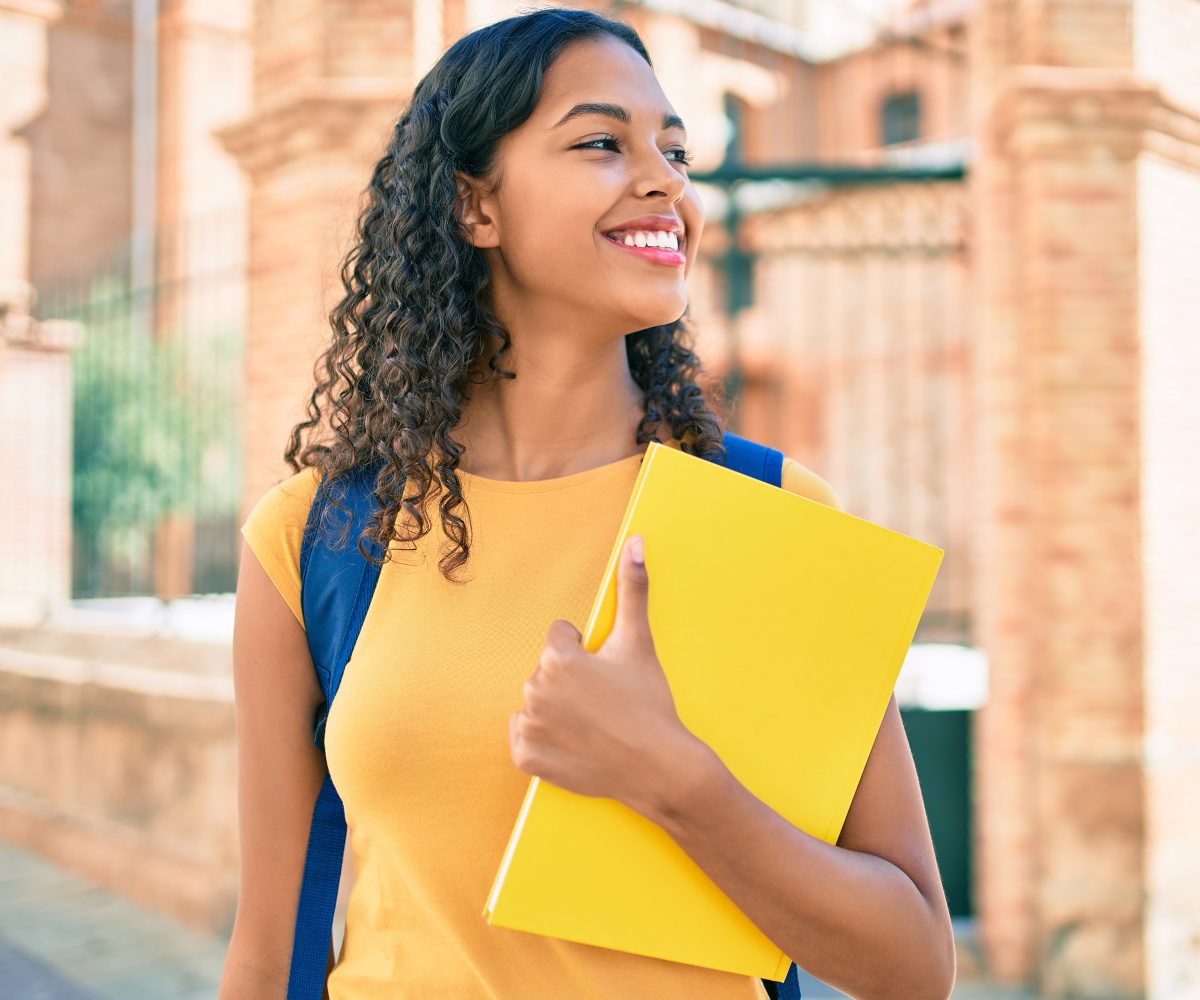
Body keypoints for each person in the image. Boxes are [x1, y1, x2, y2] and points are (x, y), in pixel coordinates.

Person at [218, 7, 956, 1000]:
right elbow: (268, 954)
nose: (664, 178)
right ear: (477, 208)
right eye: (603, 143)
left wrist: (673, 779)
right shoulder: (313, 536)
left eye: (677, 150)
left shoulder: (772, 513)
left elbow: (913, 965)